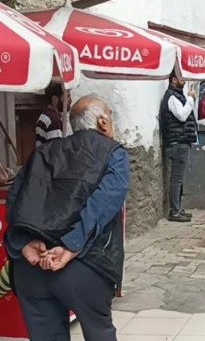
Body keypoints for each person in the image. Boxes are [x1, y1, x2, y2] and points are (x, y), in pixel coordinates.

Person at [4, 95, 130, 341]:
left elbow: (15, 201)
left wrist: (24, 243)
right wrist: (71, 245)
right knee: (99, 333)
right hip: (84, 266)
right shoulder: (114, 153)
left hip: (31, 267)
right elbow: (103, 204)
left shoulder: (42, 152)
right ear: (103, 122)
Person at [160, 72, 197, 223]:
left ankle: (177, 207)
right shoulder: (172, 97)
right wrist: (190, 99)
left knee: (179, 179)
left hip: (181, 141)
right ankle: (174, 211)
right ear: (174, 80)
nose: (185, 81)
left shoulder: (176, 96)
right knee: (176, 179)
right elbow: (182, 115)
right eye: (182, 78)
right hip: (177, 143)